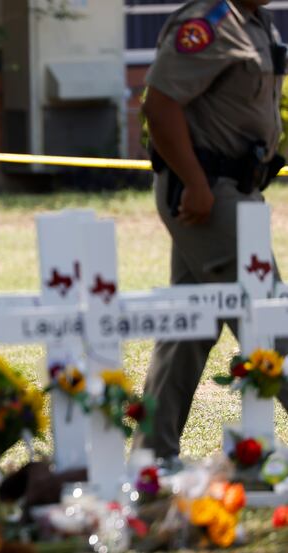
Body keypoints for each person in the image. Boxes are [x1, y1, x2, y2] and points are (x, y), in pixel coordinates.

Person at [132, 0, 288, 464]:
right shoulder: (206, 23)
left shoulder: (257, 22)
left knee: (188, 327)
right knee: (270, 315)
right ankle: (152, 454)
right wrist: (198, 184)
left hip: (234, 189)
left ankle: (151, 456)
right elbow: (159, 106)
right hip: (206, 194)